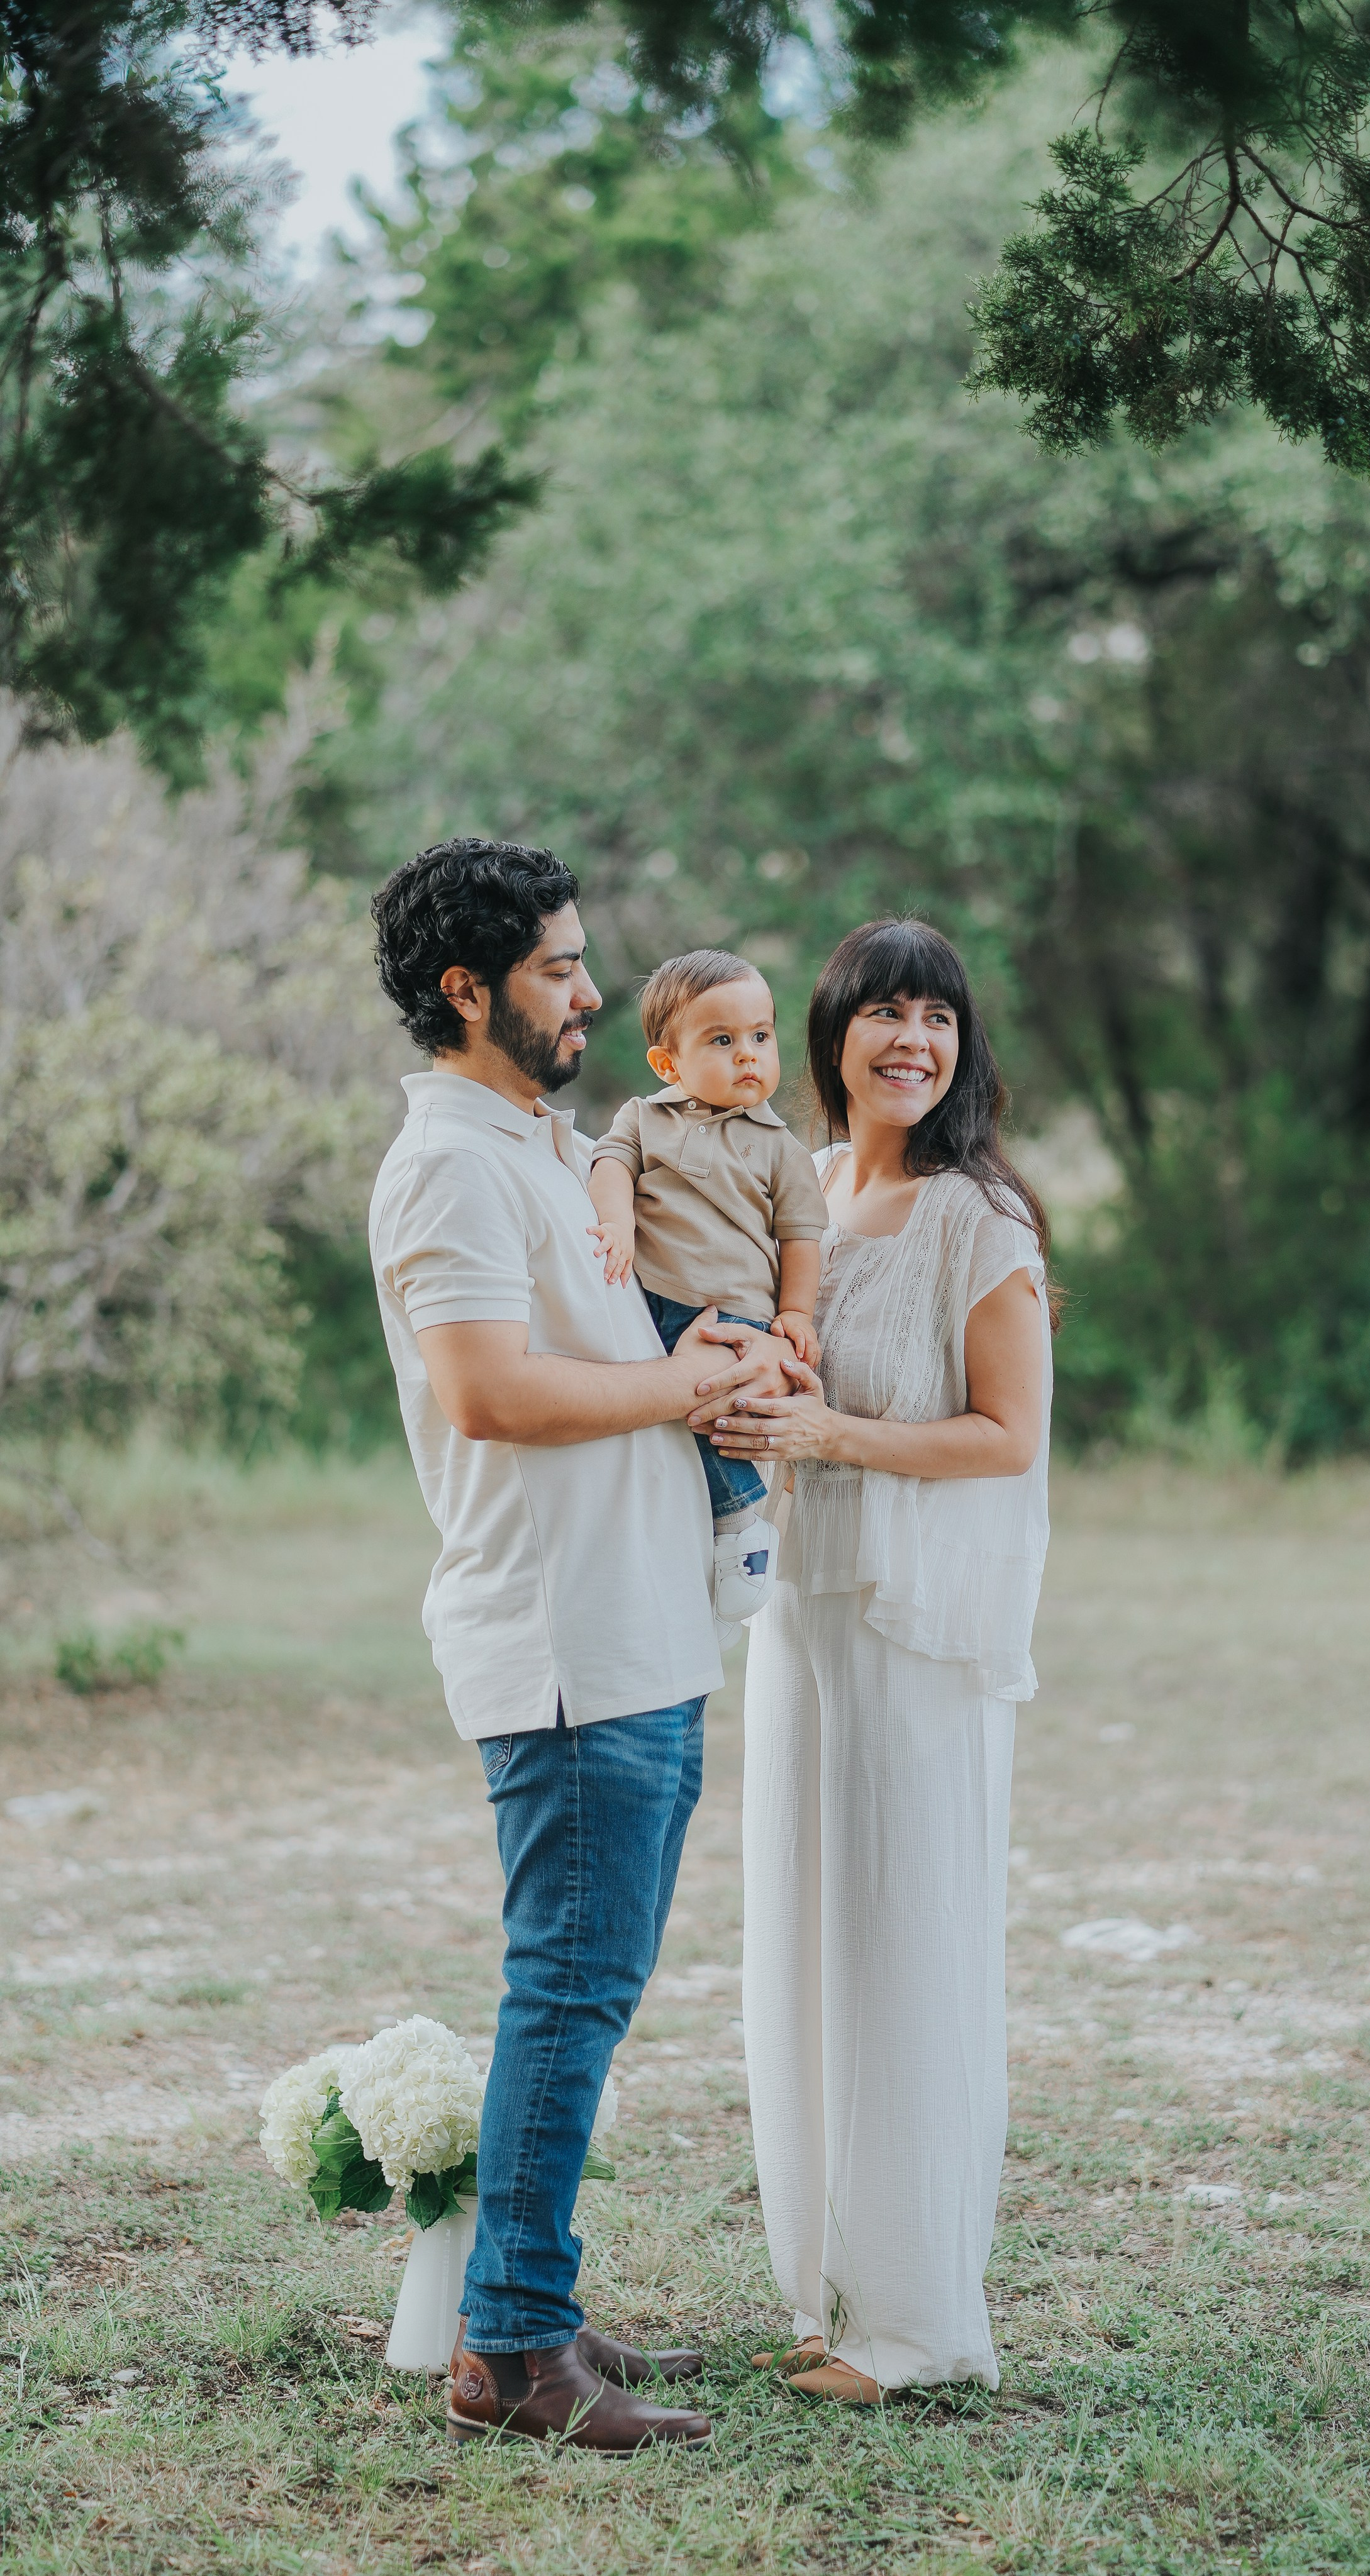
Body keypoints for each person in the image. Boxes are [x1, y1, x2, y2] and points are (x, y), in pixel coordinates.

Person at [367, 839, 784, 2453]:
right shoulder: (451, 1166)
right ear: (468, 989)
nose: (594, 990)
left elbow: (600, 1356)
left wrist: (712, 1364)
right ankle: (514, 2351)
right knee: (567, 1994)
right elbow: (490, 1392)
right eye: (559, 966)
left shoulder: (537, 1144)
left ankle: (533, 2292)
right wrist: (684, 1393)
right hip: (560, 1647)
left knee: (586, 1994)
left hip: (639, 1630)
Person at [708, 918, 1054, 2403]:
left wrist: (833, 1434)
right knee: (806, 1943)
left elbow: (1007, 1437)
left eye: (938, 1017)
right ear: (834, 1035)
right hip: (804, 1625)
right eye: (884, 1013)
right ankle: (830, 2288)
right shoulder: (804, 1194)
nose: (912, 1040)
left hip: (916, 1637)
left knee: (905, 1946)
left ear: (960, 1046)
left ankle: (917, 2327)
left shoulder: (983, 1225)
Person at [588, 948, 830, 1638]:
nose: (747, 1054)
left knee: (713, 1424)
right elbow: (610, 1165)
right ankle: (684, 1546)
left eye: (760, 1036)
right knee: (649, 1421)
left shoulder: (779, 1145)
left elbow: (801, 1236)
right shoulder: (644, 1118)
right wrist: (616, 1222)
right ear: (668, 1064)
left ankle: (739, 1528)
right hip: (647, 1299)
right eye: (721, 1041)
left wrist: (794, 1313)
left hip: (734, 1313)